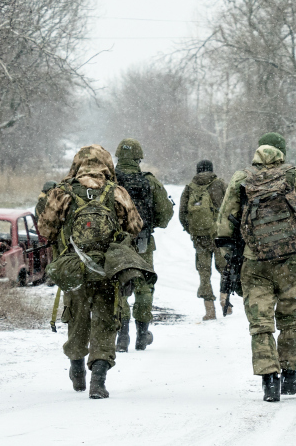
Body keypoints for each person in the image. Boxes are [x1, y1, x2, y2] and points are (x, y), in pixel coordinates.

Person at [215, 132, 296, 402]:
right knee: (289, 318)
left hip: (254, 261)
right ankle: (290, 377)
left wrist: (232, 255)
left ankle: (269, 380)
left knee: (261, 322)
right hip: (290, 260)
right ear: (283, 152)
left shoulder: (242, 178)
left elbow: (223, 223)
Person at [38, 144, 154, 399]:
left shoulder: (63, 192)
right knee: (105, 320)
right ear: (106, 164)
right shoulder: (116, 192)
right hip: (107, 269)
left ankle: (77, 367)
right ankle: (98, 380)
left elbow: (46, 230)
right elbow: (135, 227)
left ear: (77, 164)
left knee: (77, 319)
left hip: (74, 268)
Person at [113, 138, 174, 352]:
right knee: (144, 287)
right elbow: (165, 216)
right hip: (143, 241)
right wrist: (147, 224)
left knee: (118, 287)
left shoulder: (108, 181)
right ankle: (142, 334)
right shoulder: (149, 181)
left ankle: (122, 336)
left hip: (115, 245)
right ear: (139, 158)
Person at [179, 160, 228, 320]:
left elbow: (182, 215)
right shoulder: (220, 184)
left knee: (204, 272)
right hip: (220, 236)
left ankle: (209, 310)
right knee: (224, 269)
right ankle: (224, 301)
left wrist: (193, 230)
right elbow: (230, 207)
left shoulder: (189, 188)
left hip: (200, 237)